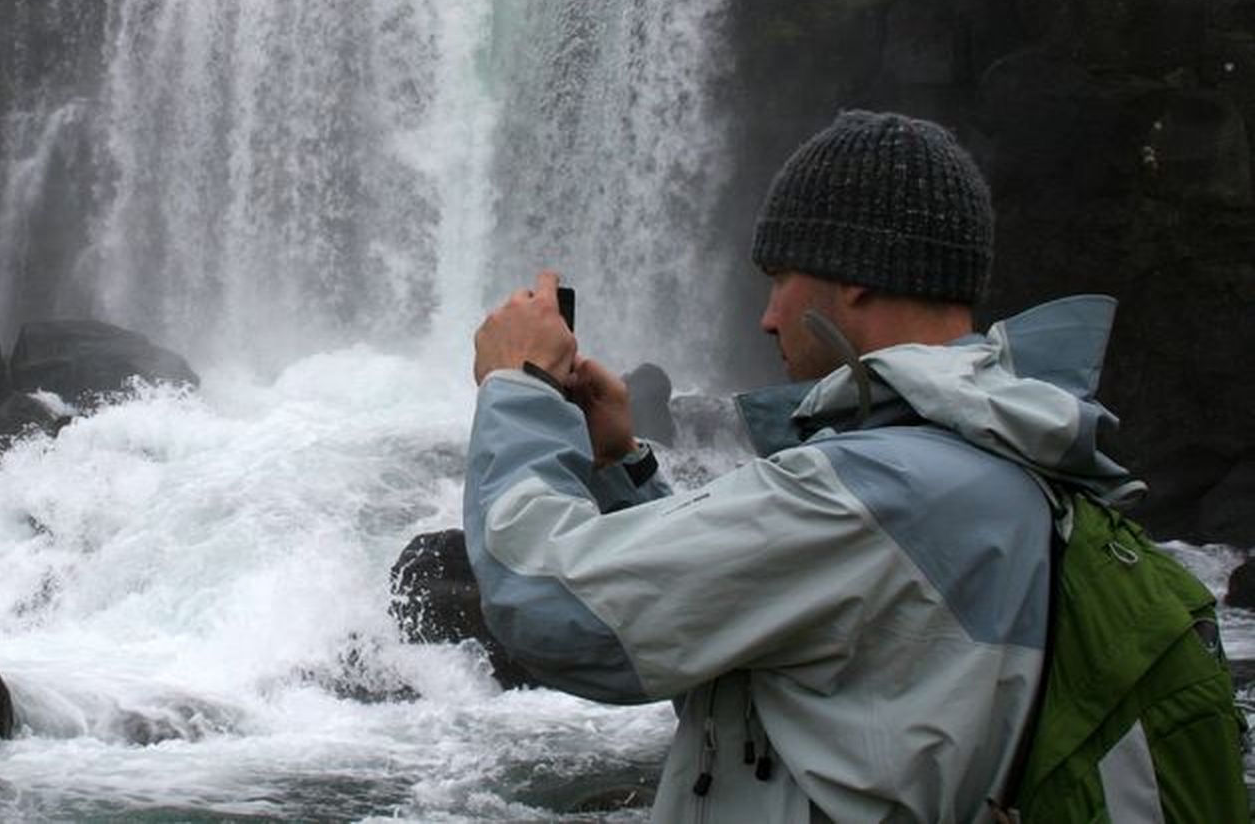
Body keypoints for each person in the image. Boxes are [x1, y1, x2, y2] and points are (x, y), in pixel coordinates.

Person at [465, 110, 1141, 821]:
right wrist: (618, 466)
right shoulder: (999, 464)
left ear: (854, 275)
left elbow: (550, 605)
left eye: (779, 277)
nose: (765, 316)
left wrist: (520, 390)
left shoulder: (875, 493)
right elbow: (711, 622)